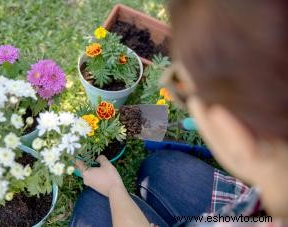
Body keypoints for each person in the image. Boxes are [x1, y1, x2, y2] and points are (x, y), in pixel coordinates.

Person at [70, 0, 288, 226]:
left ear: (238, 131)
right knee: (161, 169)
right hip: (236, 206)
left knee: (95, 204)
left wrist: (115, 189)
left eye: (182, 88)